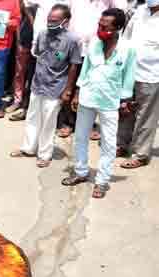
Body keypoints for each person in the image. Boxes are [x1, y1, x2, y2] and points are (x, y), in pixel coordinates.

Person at [61, 8, 135, 199]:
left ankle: (102, 181)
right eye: (99, 24)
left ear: (117, 28)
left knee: (109, 143)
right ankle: (81, 171)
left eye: (105, 26)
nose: (100, 28)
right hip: (88, 97)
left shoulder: (128, 49)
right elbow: (85, 69)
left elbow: (129, 77)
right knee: (81, 138)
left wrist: (125, 101)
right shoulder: (94, 43)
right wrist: (77, 92)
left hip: (110, 102)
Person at [10, 4, 82, 167]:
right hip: (38, 83)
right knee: (32, 117)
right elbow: (37, 54)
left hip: (56, 87)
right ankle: (28, 148)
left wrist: (68, 90)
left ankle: (45, 154)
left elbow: (73, 65)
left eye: (54, 20)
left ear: (65, 21)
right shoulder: (42, 34)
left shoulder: (72, 40)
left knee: (49, 121)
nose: (50, 23)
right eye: (49, 19)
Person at [117, 0, 158, 169]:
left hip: (152, 73)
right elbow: (126, 38)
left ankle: (140, 154)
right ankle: (121, 144)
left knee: (146, 114)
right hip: (130, 69)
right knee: (126, 108)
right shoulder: (140, 11)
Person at [7, 1, 37, 116]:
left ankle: (28, 104)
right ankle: (17, 100)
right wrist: (18, 38)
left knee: (33, 75)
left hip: (42, 43)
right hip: (25, 39)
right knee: (19, 73)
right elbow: (19, 18)